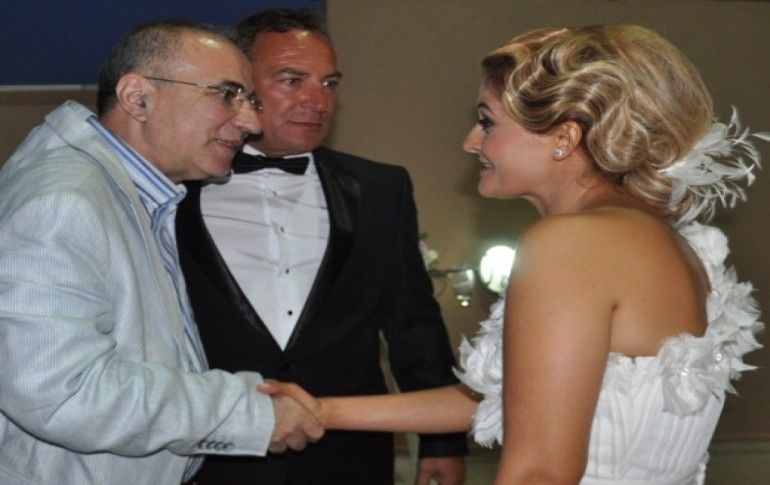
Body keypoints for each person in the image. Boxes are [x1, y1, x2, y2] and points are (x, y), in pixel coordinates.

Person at [262, 24, 767, 484]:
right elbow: (523, 401)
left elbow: (540, 471)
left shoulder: (571, 244)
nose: (470, 142)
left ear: (564, 137)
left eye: (487, 122)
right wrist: (324, 411)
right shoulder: (673, 241)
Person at [0, 21, 324, 485]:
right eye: (227, 94)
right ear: (138, 98)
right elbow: (62, 394)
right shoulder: (64, 202)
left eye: (249, 100)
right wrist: (244, 414)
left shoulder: (131, 194)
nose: (251, 123)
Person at [175, 8, 468, 485]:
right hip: (213, 457)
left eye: (329, 83)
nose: (318, 101)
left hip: (349, 456)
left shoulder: (381, 189)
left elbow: (413, 323)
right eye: (292, 80)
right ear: (238, 85)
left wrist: (443, 442)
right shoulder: (172, 192)